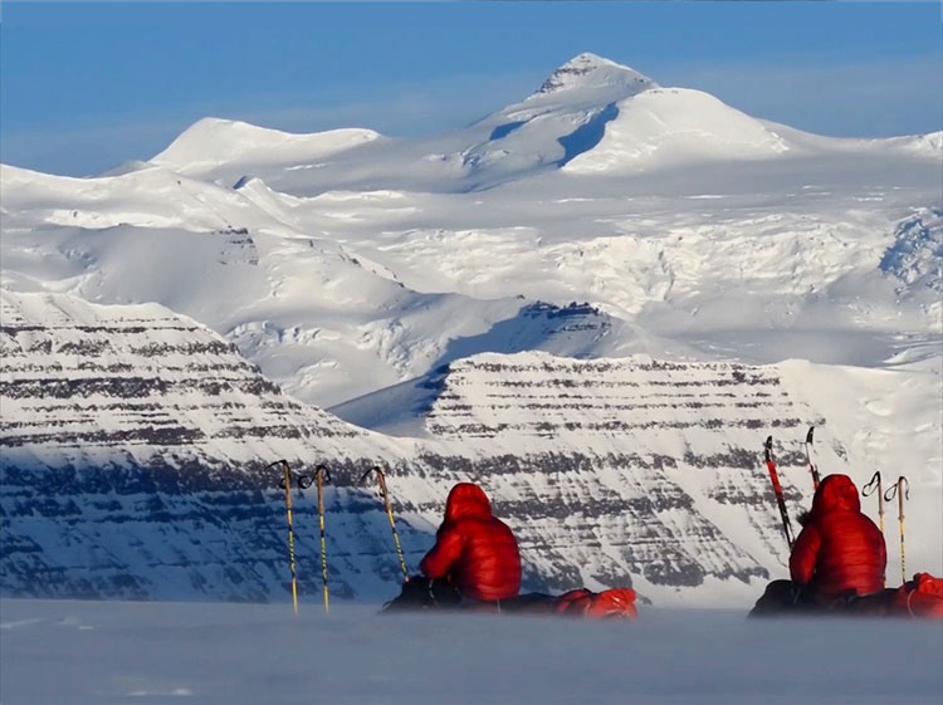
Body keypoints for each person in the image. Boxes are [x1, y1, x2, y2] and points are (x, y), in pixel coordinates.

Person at [789, 473, 886, 605]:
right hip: (873, 600)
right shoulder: (870, 525)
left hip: (833, 600)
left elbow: (801, 570)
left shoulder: (818, 526)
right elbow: (882, 564)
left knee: (777, 590)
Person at [419, 482, 521, 604]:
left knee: (419, 591)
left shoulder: (460, 528)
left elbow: (434, 568)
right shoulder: (502, 527)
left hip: (476, 596)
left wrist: (425, 567)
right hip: (509, 597)